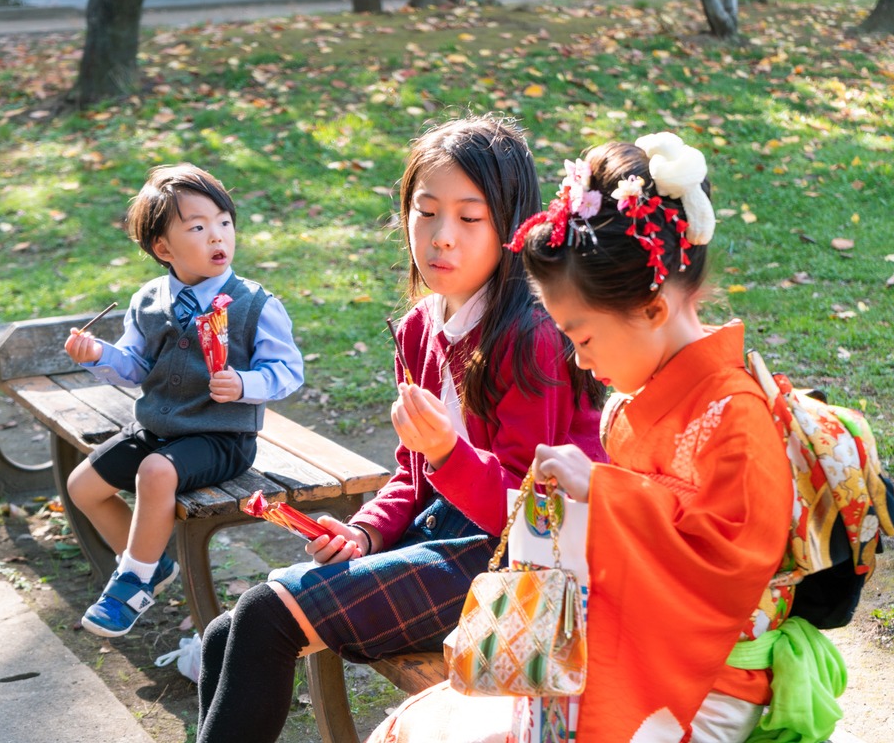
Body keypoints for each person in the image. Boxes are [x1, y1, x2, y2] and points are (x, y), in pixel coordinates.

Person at [195, 115, 608, 743]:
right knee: (226, 632)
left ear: (511, 227)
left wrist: (446, 451)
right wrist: (364, 531)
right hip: (444, 535)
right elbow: (412, 476)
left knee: (262, 616)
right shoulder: (419, 327)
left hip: (517, 564)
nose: (442, 237)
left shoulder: (531, 336)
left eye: (470, 218)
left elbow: (527, 514)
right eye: (426, 212)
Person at [514, 133, 844, 742]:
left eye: (582, 337)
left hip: (713, 684)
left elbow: (725, 567)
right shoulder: (640, 399)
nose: (579, 361)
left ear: (653, 310)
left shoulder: (736, 415)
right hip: (643, 650)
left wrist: (605, 493)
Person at [63, 163, 304, 639]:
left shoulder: (255, 304)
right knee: (82, 486)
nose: (217, 236)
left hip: (221, 437)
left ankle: (132, 585)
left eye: (224, 222)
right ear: (163, 248)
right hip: (157, 429)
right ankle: (150, 564)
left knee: (156, 473)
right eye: (197, 227)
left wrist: (245, 384)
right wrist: (98, 355)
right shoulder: (148, 300)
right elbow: (136, 365)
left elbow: (289, 371)